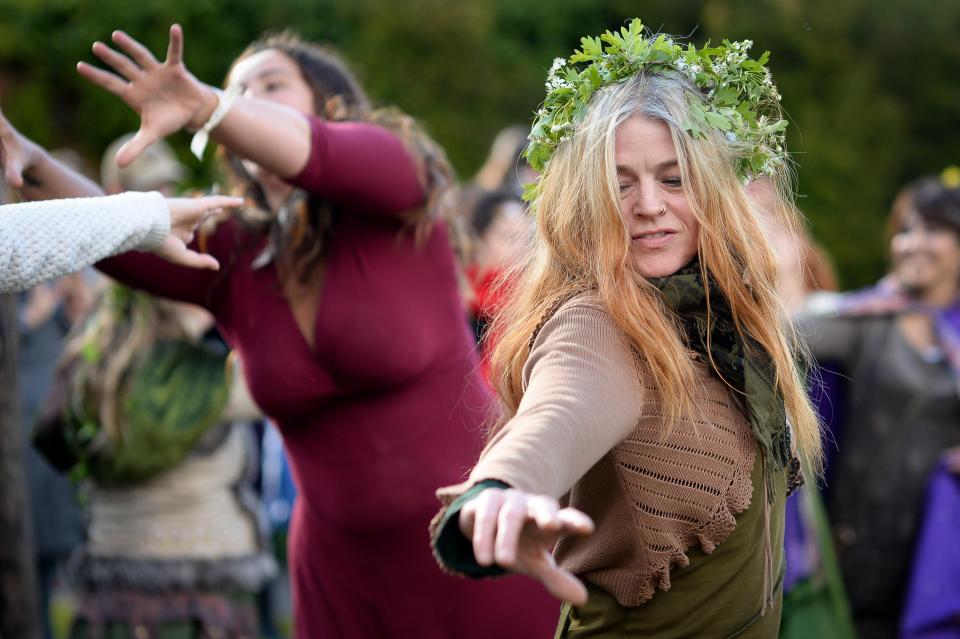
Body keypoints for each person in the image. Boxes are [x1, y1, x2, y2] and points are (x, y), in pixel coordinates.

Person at [70, 24, 557, 638]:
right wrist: (27, 168)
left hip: (478, 538)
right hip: (339, 572)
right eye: (236, 89)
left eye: (271, 84)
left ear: (328, 105)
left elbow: (325, 153)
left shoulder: (399, 180)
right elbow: (110, 242)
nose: (248, 98)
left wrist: (210, 106)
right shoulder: (236, 249)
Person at [429, 19, 823, 638]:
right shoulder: (595, 321)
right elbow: (558, 411)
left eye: (673, 178)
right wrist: (502, 487)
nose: (648, 205)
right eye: (620, 184)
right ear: (588, 199)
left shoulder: (727, 322)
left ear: (714, 188)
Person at [33, 283, 274, 639]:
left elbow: (49, 438)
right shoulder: (213, 381)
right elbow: (294, 380)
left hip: (111, 596)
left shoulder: (89, 370)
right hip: (205, 601)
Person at [800, 175, 960, 639]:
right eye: (905, 231)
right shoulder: (871, 320)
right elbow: (787, 334)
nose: (912, 244)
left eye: (932, 230)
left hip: (935, 564)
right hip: (857, 551)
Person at [0, 111, 243, 291]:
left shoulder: (204, 241)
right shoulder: (107, 257)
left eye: (168, 186)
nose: (166, 198)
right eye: (151, 189)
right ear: (116, 189)